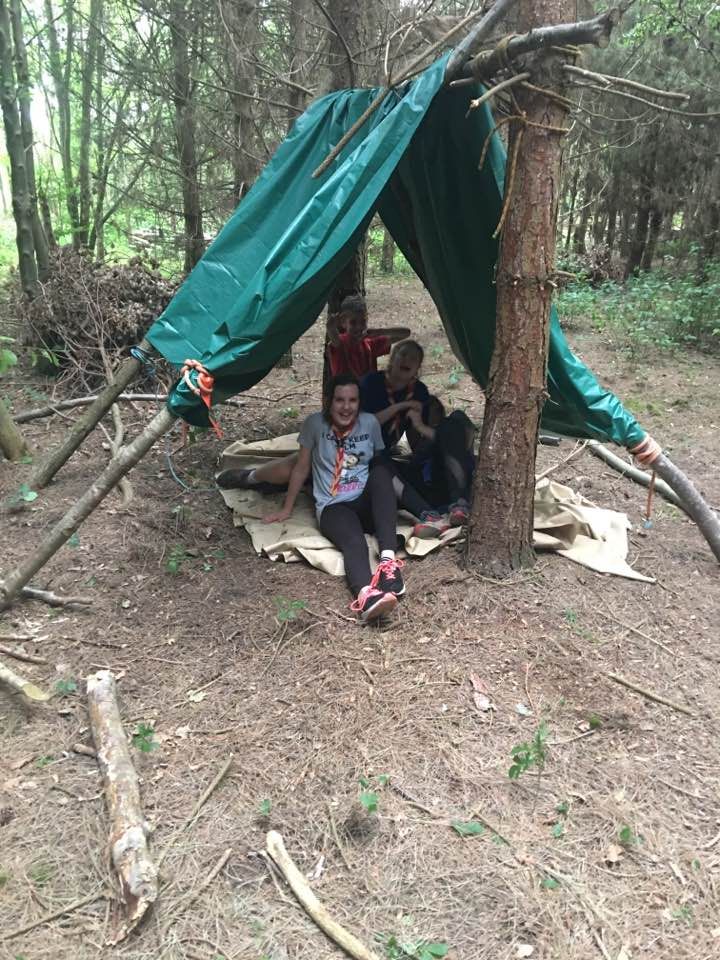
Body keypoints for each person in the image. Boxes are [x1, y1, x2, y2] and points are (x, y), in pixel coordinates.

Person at [264, 374, 405, 622]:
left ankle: (388, 566)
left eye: (352, 400)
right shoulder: (314, 425)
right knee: (354, 543)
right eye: (340, 400)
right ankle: (366, 596)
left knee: (382, 473)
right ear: (329, 401)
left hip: (364, 500)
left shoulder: (369, 423)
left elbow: (381, 463)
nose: (346, 407)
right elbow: (301, 467)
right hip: (334, 506)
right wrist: (287, 508)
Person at [361, 340, 475, 528]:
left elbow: (424, 437)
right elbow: (364, 424)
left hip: (403, 451)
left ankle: (459, 504)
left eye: (414, 358)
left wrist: (420, 426)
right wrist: (401, 406)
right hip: (374, 451)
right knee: (380, 463)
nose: (407, 360)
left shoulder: (419, 390)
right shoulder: (372, 382)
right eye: (403, 354)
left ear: (417, 368)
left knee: (450, 427)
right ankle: (426, 514)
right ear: (392, 358)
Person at [325, 295, 410, 379]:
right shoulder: (340, 343)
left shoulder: (370, 342)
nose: (359, 327)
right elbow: (332, 331)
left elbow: (406, 333)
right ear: (343, 322)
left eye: (363, 321)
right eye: (353, 322)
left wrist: (381, 332)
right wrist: (331, 325)